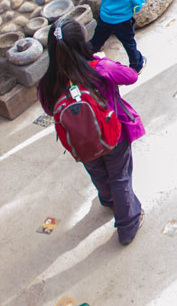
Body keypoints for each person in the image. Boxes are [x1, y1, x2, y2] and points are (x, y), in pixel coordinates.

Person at [39, 18, 144, 246]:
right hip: (113, 134)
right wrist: (102, 60)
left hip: (81, 141)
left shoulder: (47, 83)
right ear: (82, 43)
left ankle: (107, 199)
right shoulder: (100, 69)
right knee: (120, 176)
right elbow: (131, 76)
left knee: (97, 171)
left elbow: (49, 108)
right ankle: (128, 225)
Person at [89, 0, 146, 73]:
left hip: (105, 18)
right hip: (123, 22)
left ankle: (87, 55)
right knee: (129, 43)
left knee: (97, 39)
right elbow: (137, 7)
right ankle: (136, 65)